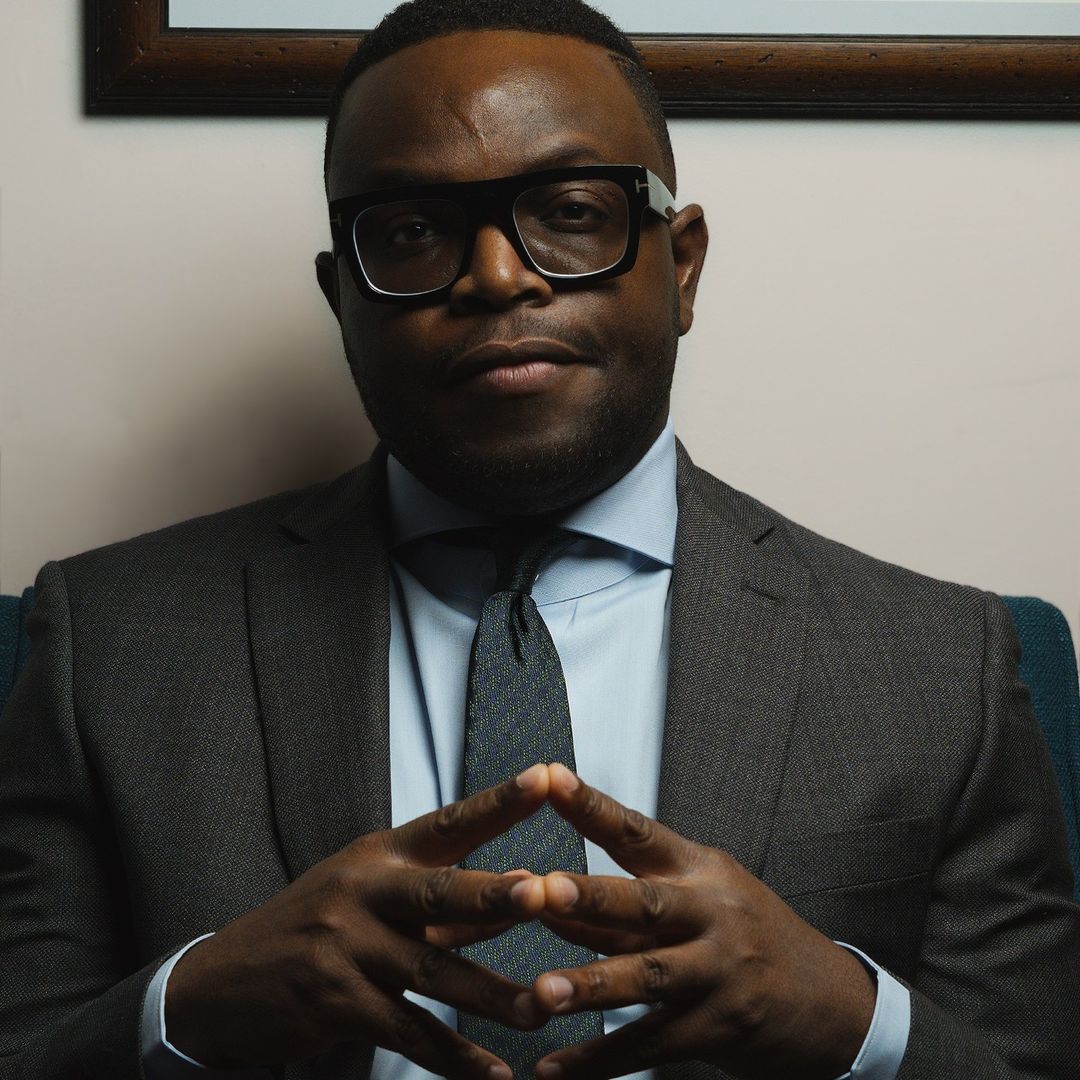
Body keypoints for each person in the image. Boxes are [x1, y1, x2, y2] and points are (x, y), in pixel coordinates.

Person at [1, 1, 1077, 1078]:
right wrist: (189, 1005)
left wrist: (856, 1020)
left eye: (569, 210)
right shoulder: (110, 644)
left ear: (685, 263)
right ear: (343, 299)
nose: (499, 278)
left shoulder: (944, 672)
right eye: (413, 231)